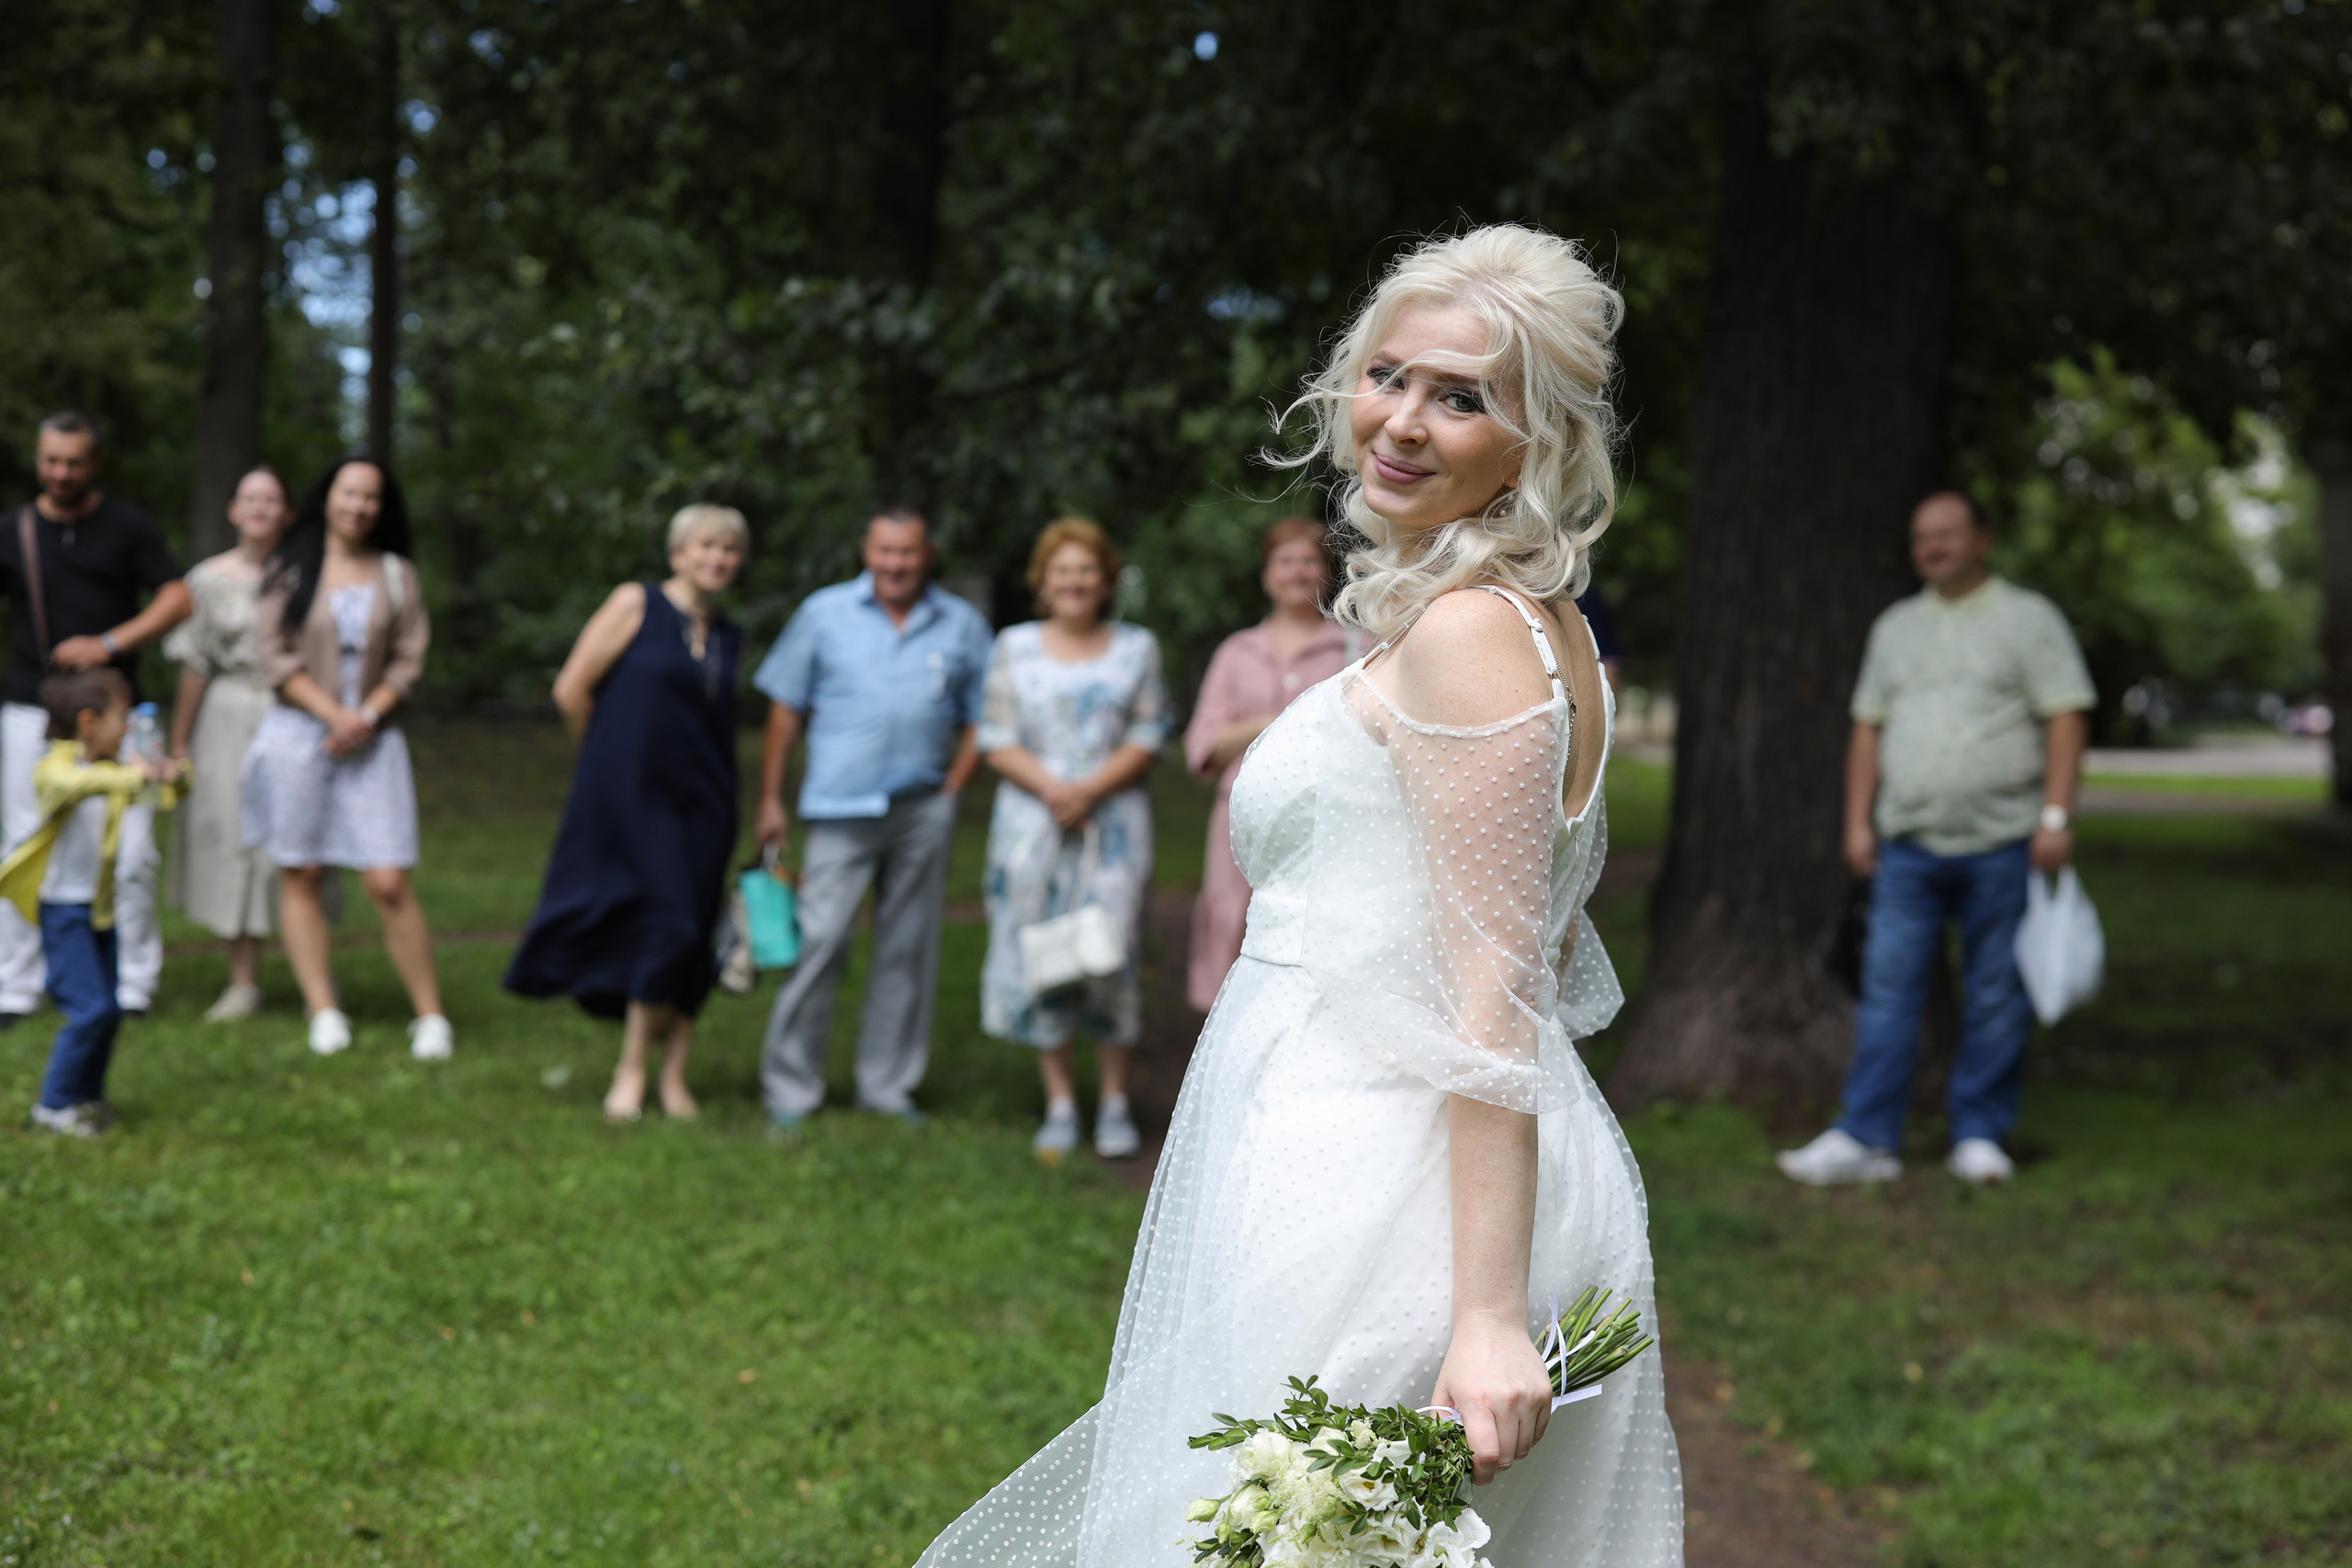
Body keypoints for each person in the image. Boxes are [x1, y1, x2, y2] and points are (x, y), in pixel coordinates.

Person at [915, 226, 1680, 1568]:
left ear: (1538, 437)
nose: (1402, 420)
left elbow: (1502, 982)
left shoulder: (1471, 636)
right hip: (1350, 1138)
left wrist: (1488, 1312)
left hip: (1393, 1199)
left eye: (1464, 397)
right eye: (1388, 375)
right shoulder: (1525, 624)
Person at [1778, 491, 2093, 1189]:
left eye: (1949, 533)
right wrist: (1857, 822)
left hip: (2006, 842)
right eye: (1924, 536)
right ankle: (1867, 1138)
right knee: (1888, 992)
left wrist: (2055, 817)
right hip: (1907, 847)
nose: (1935, 546)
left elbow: (2066, 715)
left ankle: (1979, 1134)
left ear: (1984, 539)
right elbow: (1869, 725)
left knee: (1995, 993)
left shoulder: (2028, 619)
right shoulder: (1896, 626)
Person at [504, 504, 748, 1122]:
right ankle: (632, 1067)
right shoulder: (635, 604)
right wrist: (608, 763)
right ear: (678, 553)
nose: (717, 558)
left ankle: (675, 1075)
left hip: (708, 803)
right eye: (705, 546)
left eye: (729, 550)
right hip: (634, 798)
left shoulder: (728, 634)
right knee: (665, 925)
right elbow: (571, 688)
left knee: (695, 929)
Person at [752, 507, 993, 1133]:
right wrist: (771, 798)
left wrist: (954, 787)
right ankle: (790, 1086)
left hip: (922, 810)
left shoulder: (962, 624)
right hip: (838, 808)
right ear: (866, 550)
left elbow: (985, 714)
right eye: (885, 551)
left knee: (907, 950)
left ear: (927, 554)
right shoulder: (823, 613)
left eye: (908, 552)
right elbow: (785, 708)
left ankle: (887, 1087)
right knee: (820, 940)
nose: (895, 564)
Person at [241, 457, 451, 1061]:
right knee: (302, 870)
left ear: (382, 508)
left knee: (387, 878)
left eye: (370, 497)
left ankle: (431, 1016)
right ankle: (323, 1007)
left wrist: (369, 715)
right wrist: (334, 715)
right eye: (348, 492)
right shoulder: (289, 565)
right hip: (300, 733)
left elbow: (410, 657)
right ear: (327, 498)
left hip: (374, 738)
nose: (358, 505)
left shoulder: (396, 574)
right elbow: (273, 654)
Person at [978, 517, 1168, 1163]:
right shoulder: (1014, 645)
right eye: (1062, 570)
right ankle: (1060, 1103)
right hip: (1031, 824)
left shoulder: (1136, 647)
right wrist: (1055, 790)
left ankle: (1113, 1100)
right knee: (1042, 955)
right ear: (1043, 580)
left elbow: (1149, 734)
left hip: (1109, 826)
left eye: (1086, 569)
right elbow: (995, 735)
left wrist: (1087, 791)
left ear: (1106, 578)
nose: (1075, 581)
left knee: (1109, 956)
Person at [0, 411, 191, 1023]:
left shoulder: (127, 526)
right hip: (33, 712)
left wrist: (108, 645)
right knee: (25, 841)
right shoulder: (15, 529)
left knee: (133, 850)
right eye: (50, 460)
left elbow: (177, 596)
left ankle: (132, 984)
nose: (60, 472)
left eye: (73, 462)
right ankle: (15, 984)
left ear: (95, 463)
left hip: (117, 717)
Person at [1180, 515, 1359, 1011]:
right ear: (1266, 575)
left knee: (1319, 937)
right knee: (1234, 922)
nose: (1297, 571)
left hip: (1328, 821)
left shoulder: (1357, 646)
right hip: (1243, 823)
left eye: (1308, 560)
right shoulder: (1237, 652)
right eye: (1285, 561)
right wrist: (1282, 717)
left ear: (1325, 572)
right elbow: (1203, 747)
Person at [3, 669, 183, 1135]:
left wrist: (172, 774)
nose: (126, 730)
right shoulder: (53, 769)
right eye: (121, 718)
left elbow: (162, 793)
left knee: (108, 1013)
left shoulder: (111, 772)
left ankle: (87, 1096)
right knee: (92, 1009)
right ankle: (53, 1105)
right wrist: (130, 775)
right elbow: (73, 787)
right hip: (63, 912)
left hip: (99, 912)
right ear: (88, 722)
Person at [165, 465, 295, 1021]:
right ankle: (242, 980)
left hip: (292, 709)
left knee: (292, 838)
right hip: (225, 713)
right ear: (232, 509)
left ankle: (311, 970)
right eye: (249, 498)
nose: (259, 508)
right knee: (233, 836)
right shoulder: (207, 578)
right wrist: (179, 742)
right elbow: (194, 665)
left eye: (271, 499)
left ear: (287, 511)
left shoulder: (304, 573)